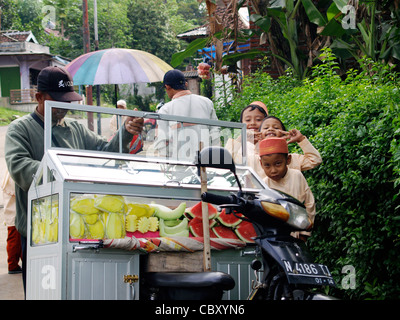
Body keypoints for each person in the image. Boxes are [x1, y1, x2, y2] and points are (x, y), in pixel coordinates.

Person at [4, 66, 144, 294]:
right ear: (39, 97)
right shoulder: (20, 130)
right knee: (43, 292)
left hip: (79, 227)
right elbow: (20, 168)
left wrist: (126, 131)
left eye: (69, 101)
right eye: (58, 101)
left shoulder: (75, 129)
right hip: (40, 232)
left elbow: (105, 152)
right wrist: (63, 171)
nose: (66, 107)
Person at [153, 69, 219, 161]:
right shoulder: (207, 103)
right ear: (186, 84)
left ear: (167, 87)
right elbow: (215, 133)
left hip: (179, 164)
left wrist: (164, 164)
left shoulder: (165, 110)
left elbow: (162, 141)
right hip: (206, 162)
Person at [259, 137, 315, 240]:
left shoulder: (296, 176)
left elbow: (309, 203)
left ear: (288, 160)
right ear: (261, 164)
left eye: (278, 164)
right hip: (274, 237)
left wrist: (304, 232)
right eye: (267, 165)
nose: (273, 170)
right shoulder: (263, 184)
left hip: (298, 235)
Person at [225, 101, 268, 167]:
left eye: (258, 119)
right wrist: (240, 139)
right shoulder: (238, 144)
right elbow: (225, 160)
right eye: (248, 120)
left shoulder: (270, 141)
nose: (253, 123)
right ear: (241, 123)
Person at [1, 171, 22, 274]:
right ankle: (13, 265)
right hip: (14, 214)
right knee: (15, 240)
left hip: (13, 214)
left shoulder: (9, 174)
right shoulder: (12, 176)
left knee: (17, 240)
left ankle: (14, 264)